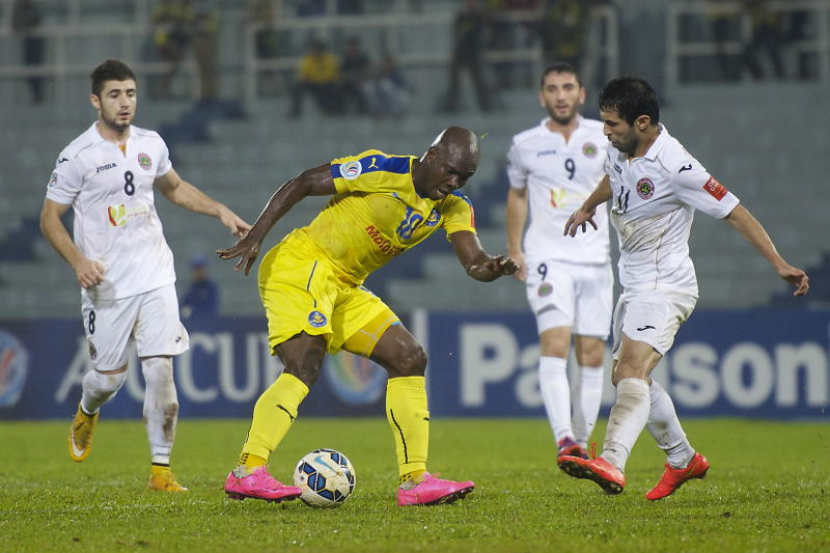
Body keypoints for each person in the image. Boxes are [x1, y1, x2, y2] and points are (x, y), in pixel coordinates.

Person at [217, 127, 518, 506]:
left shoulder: (454, 207)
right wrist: (256, 235)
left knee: (409, 358)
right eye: (451, 171)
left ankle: (415, 481)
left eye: (465, 177)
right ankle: (247, 471)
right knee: (304, 362)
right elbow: (305, 182)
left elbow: (474, 263)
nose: (455, 183)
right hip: (304, 262)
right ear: (432, 156)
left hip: (346, 286)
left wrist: (494, 267)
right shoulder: (383, 169)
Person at [559, 76, 809, 499]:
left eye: (612, 123)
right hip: (634, 285)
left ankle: (612, 460)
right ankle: (683, 459)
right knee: (629, 377)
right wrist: (587, 205)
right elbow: (614, 177)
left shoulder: (677, 166)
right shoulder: (621, 147)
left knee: (630, 372)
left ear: (642, 122)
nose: (605, 131)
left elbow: (734, 211)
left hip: (665, 285)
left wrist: (778, 263)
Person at [40, 59, 250, 492]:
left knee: (160, 370)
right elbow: (49, 218)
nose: (125, 102)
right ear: (96, 100)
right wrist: (79, 262)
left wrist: (220, 210)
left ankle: (161, 470)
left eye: (131, 93)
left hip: (156, 275)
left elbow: (174, 188)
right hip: (107, 285)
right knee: (108, 380)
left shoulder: (151, 143)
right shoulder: (77, 156)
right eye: (115, 94)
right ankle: (87, 409)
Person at [505, 62, 611, 463]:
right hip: (548, 257)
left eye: (568, 87)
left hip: (596, 259)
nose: (561, 95)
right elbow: (517, 195)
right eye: (552, 89)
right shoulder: (525, 144)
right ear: (542, 97)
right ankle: (564, 438)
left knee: (593, 354)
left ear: (582, 94)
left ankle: (581, 444)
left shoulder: (603, 137)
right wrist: (515, 249)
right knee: (555, 342)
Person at [445, 0, 493, 113]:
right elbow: (457, 34)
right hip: (460, 52)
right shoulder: (461, 17)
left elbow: (478, 32)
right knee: (454, 82)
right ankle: (450, 107)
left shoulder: (479, 17)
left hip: (473, 53)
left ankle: (486, 107)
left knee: (479, 82)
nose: (470, 4)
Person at [12, 0, 45, 104]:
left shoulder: (32, 7)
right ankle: (36, 94)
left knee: (36, 66)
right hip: (27, 41)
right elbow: (14, 26)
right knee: (29, 66)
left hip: (35, 41)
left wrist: (23, 26)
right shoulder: (19, 7)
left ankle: (38, 94)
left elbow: (36, 22)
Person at [180, 254, 219, 319]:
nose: (197, 272)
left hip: (206, 322)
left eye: (200, 269)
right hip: (191, 322)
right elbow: (184, 304)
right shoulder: (192, 287)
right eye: (195, 269)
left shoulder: (211, 287)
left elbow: (211, 309)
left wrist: (192, 311)